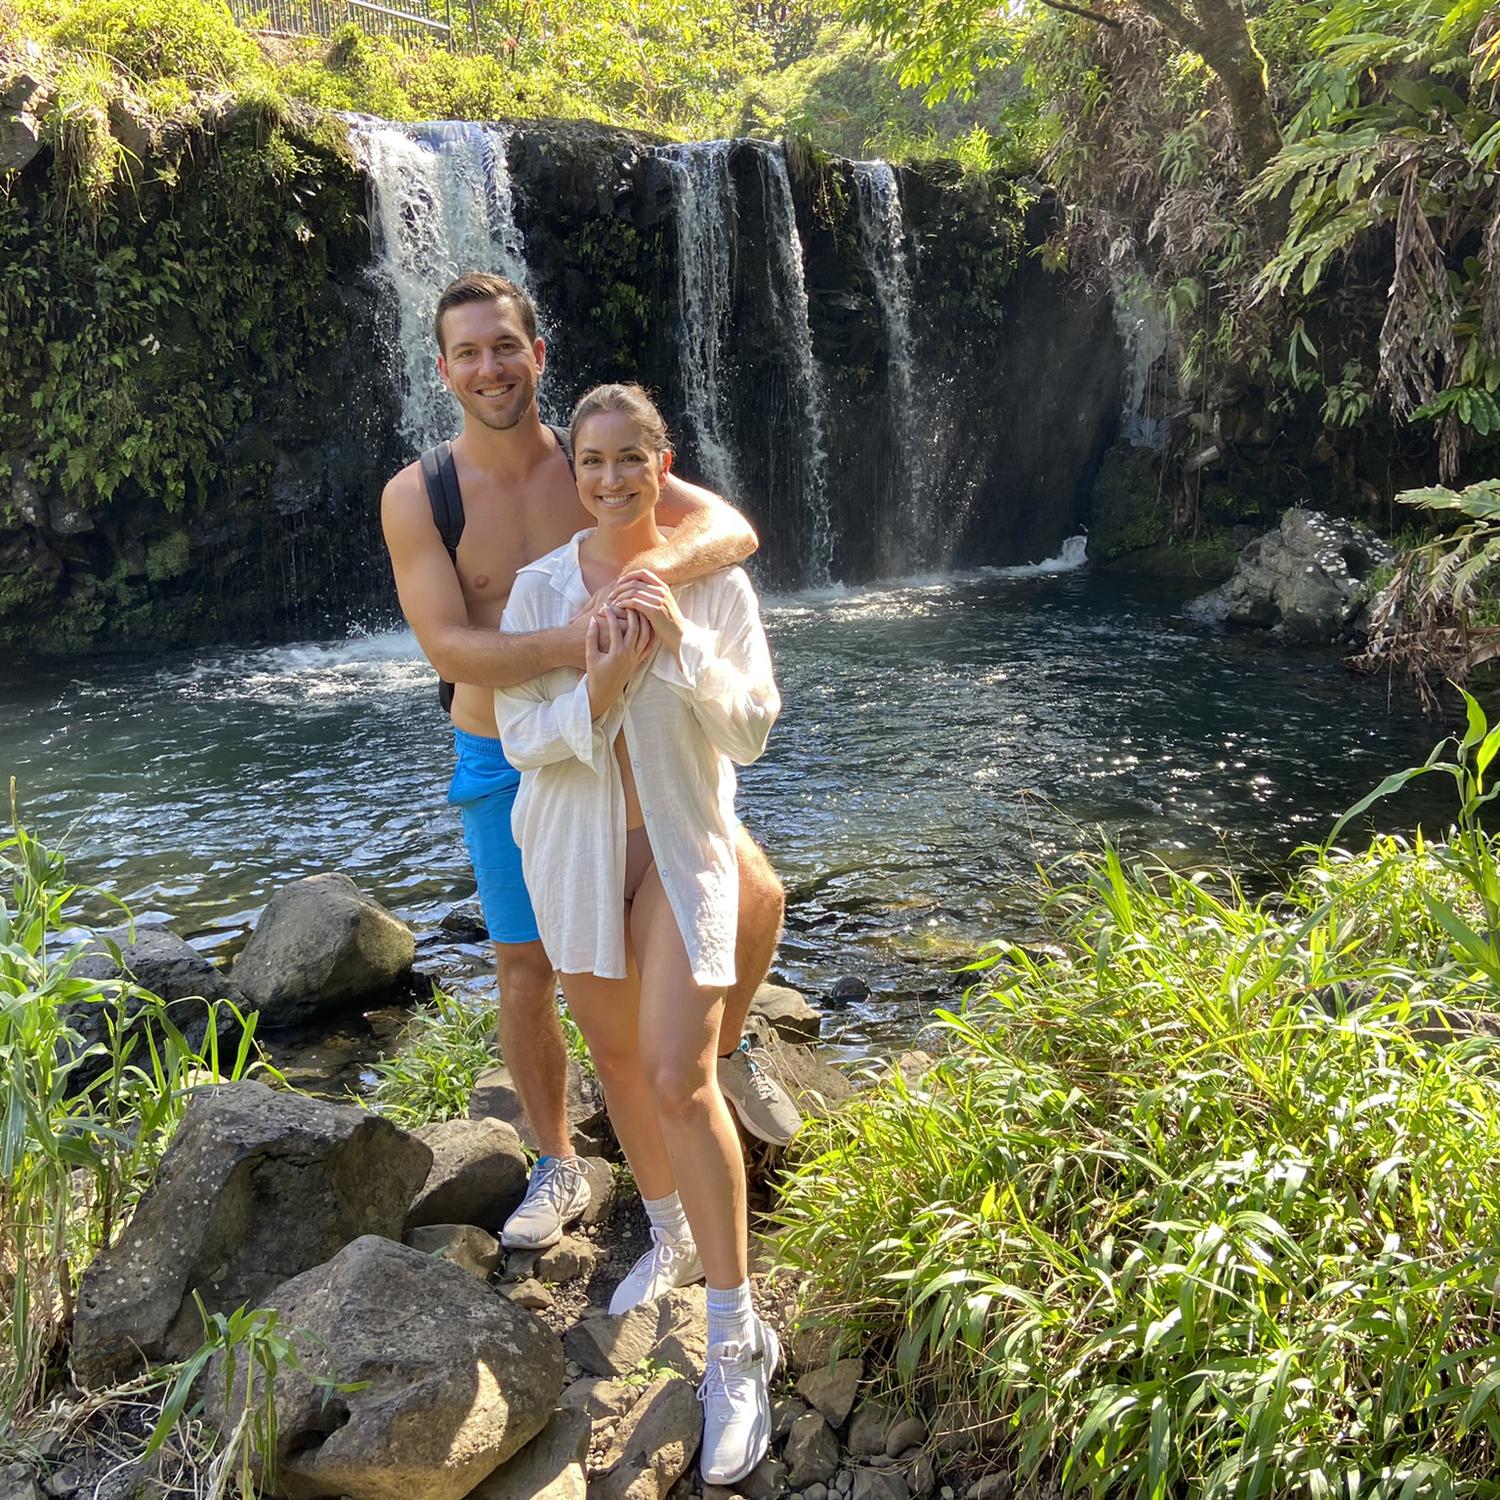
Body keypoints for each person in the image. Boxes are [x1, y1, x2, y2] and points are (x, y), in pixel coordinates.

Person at [380, 272, 801, 1254]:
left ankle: (722, 1046)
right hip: (509, 750)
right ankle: (560, 1159)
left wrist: (652, 573)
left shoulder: (595, 452)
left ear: (537, 354)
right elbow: (447, 647)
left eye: (505, 346)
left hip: (640, 748)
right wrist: (583, 648)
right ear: (443, 370)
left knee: (756, 893)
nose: (490, 368)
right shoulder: (421, 495)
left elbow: (730, 531)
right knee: (526, 967)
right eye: (469, 353)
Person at [495, 383, 780, 1484]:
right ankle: (668, 1234)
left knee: (677, 1074)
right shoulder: (541, 589)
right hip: (571, 851)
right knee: (616, 1061)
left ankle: (736, 1340)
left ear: (665, 466)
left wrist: (679, 649)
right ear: (573, 471)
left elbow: (751, 730)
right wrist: (601, 680)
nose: (610, 478)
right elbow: (522, 738)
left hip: (678, 847)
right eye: (591, 461)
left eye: (630, 459)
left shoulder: (713, 584)